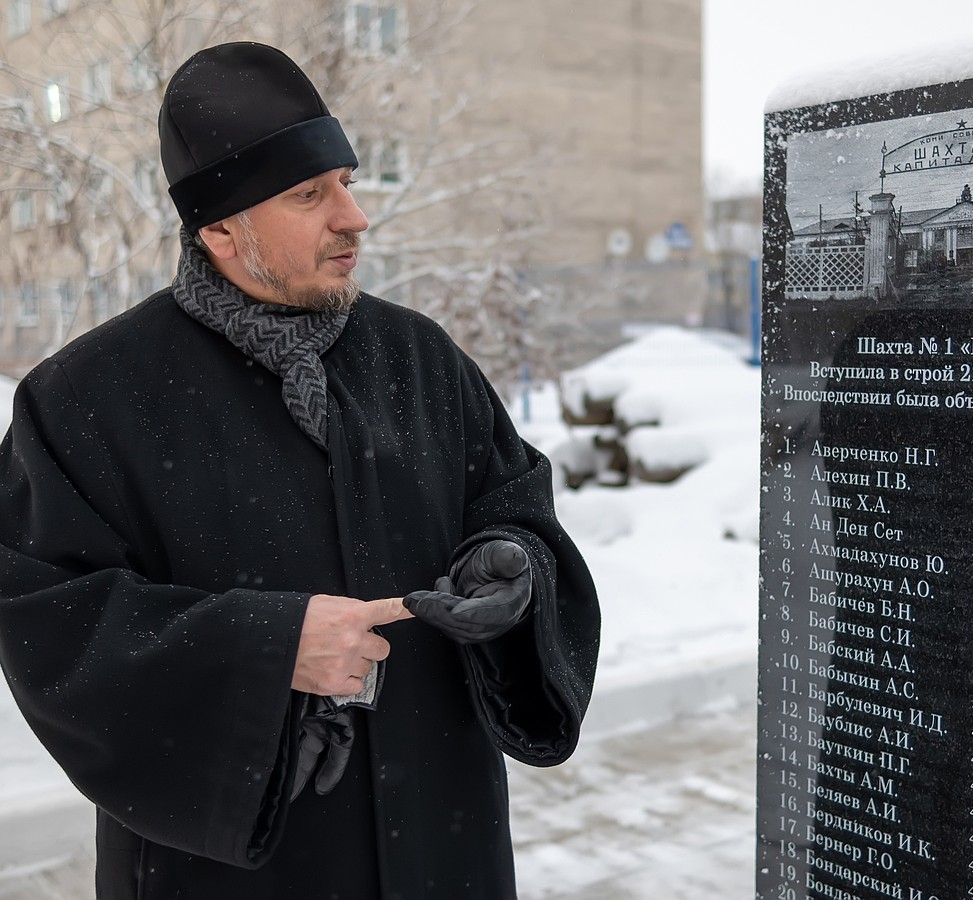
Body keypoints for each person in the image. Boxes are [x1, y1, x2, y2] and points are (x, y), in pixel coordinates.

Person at [0, 42, 600, 899]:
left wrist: (510, 565)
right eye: (309, 193)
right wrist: (267, 648)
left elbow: (515, 503)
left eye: (348, 183)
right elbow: (44, 618)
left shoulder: (420, 357)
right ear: (220, 230)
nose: (354, 217)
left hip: (440, 841)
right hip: (226, 870)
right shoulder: (85, 399)